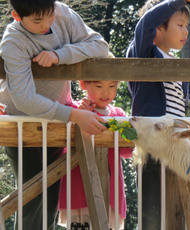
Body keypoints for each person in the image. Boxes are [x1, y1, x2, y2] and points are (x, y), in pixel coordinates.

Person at [0, 0, 109, 229]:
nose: (47, 24)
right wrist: (75, 116)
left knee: (50, 198)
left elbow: (99, 45)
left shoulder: (63, 14)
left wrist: (60, 55)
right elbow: (24, 99)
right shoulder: (13, 41)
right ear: (17, 16)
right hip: (23, 124)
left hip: (58, 118)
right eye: (37, 20)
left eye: (49, 15)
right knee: (32, 199)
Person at [125, 0, 190, 228]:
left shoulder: (178, 65)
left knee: (178, 211)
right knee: (152, 213)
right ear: (158, 28)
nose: (186, 31)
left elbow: (178, 107)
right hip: (152, 146)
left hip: (176, 151)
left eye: (186, 25)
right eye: (180, 24)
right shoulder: (143, 53)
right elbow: (145, 24)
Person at [58, 80, 133, 230]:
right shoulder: (74, 109)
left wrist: (129, 134)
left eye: (112, 86)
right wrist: (83, 113)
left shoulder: (118, 114)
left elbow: (127, 152)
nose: (106, 92)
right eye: (99, 86)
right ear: (84, 85)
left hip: (109, 187)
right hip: (81, 186)